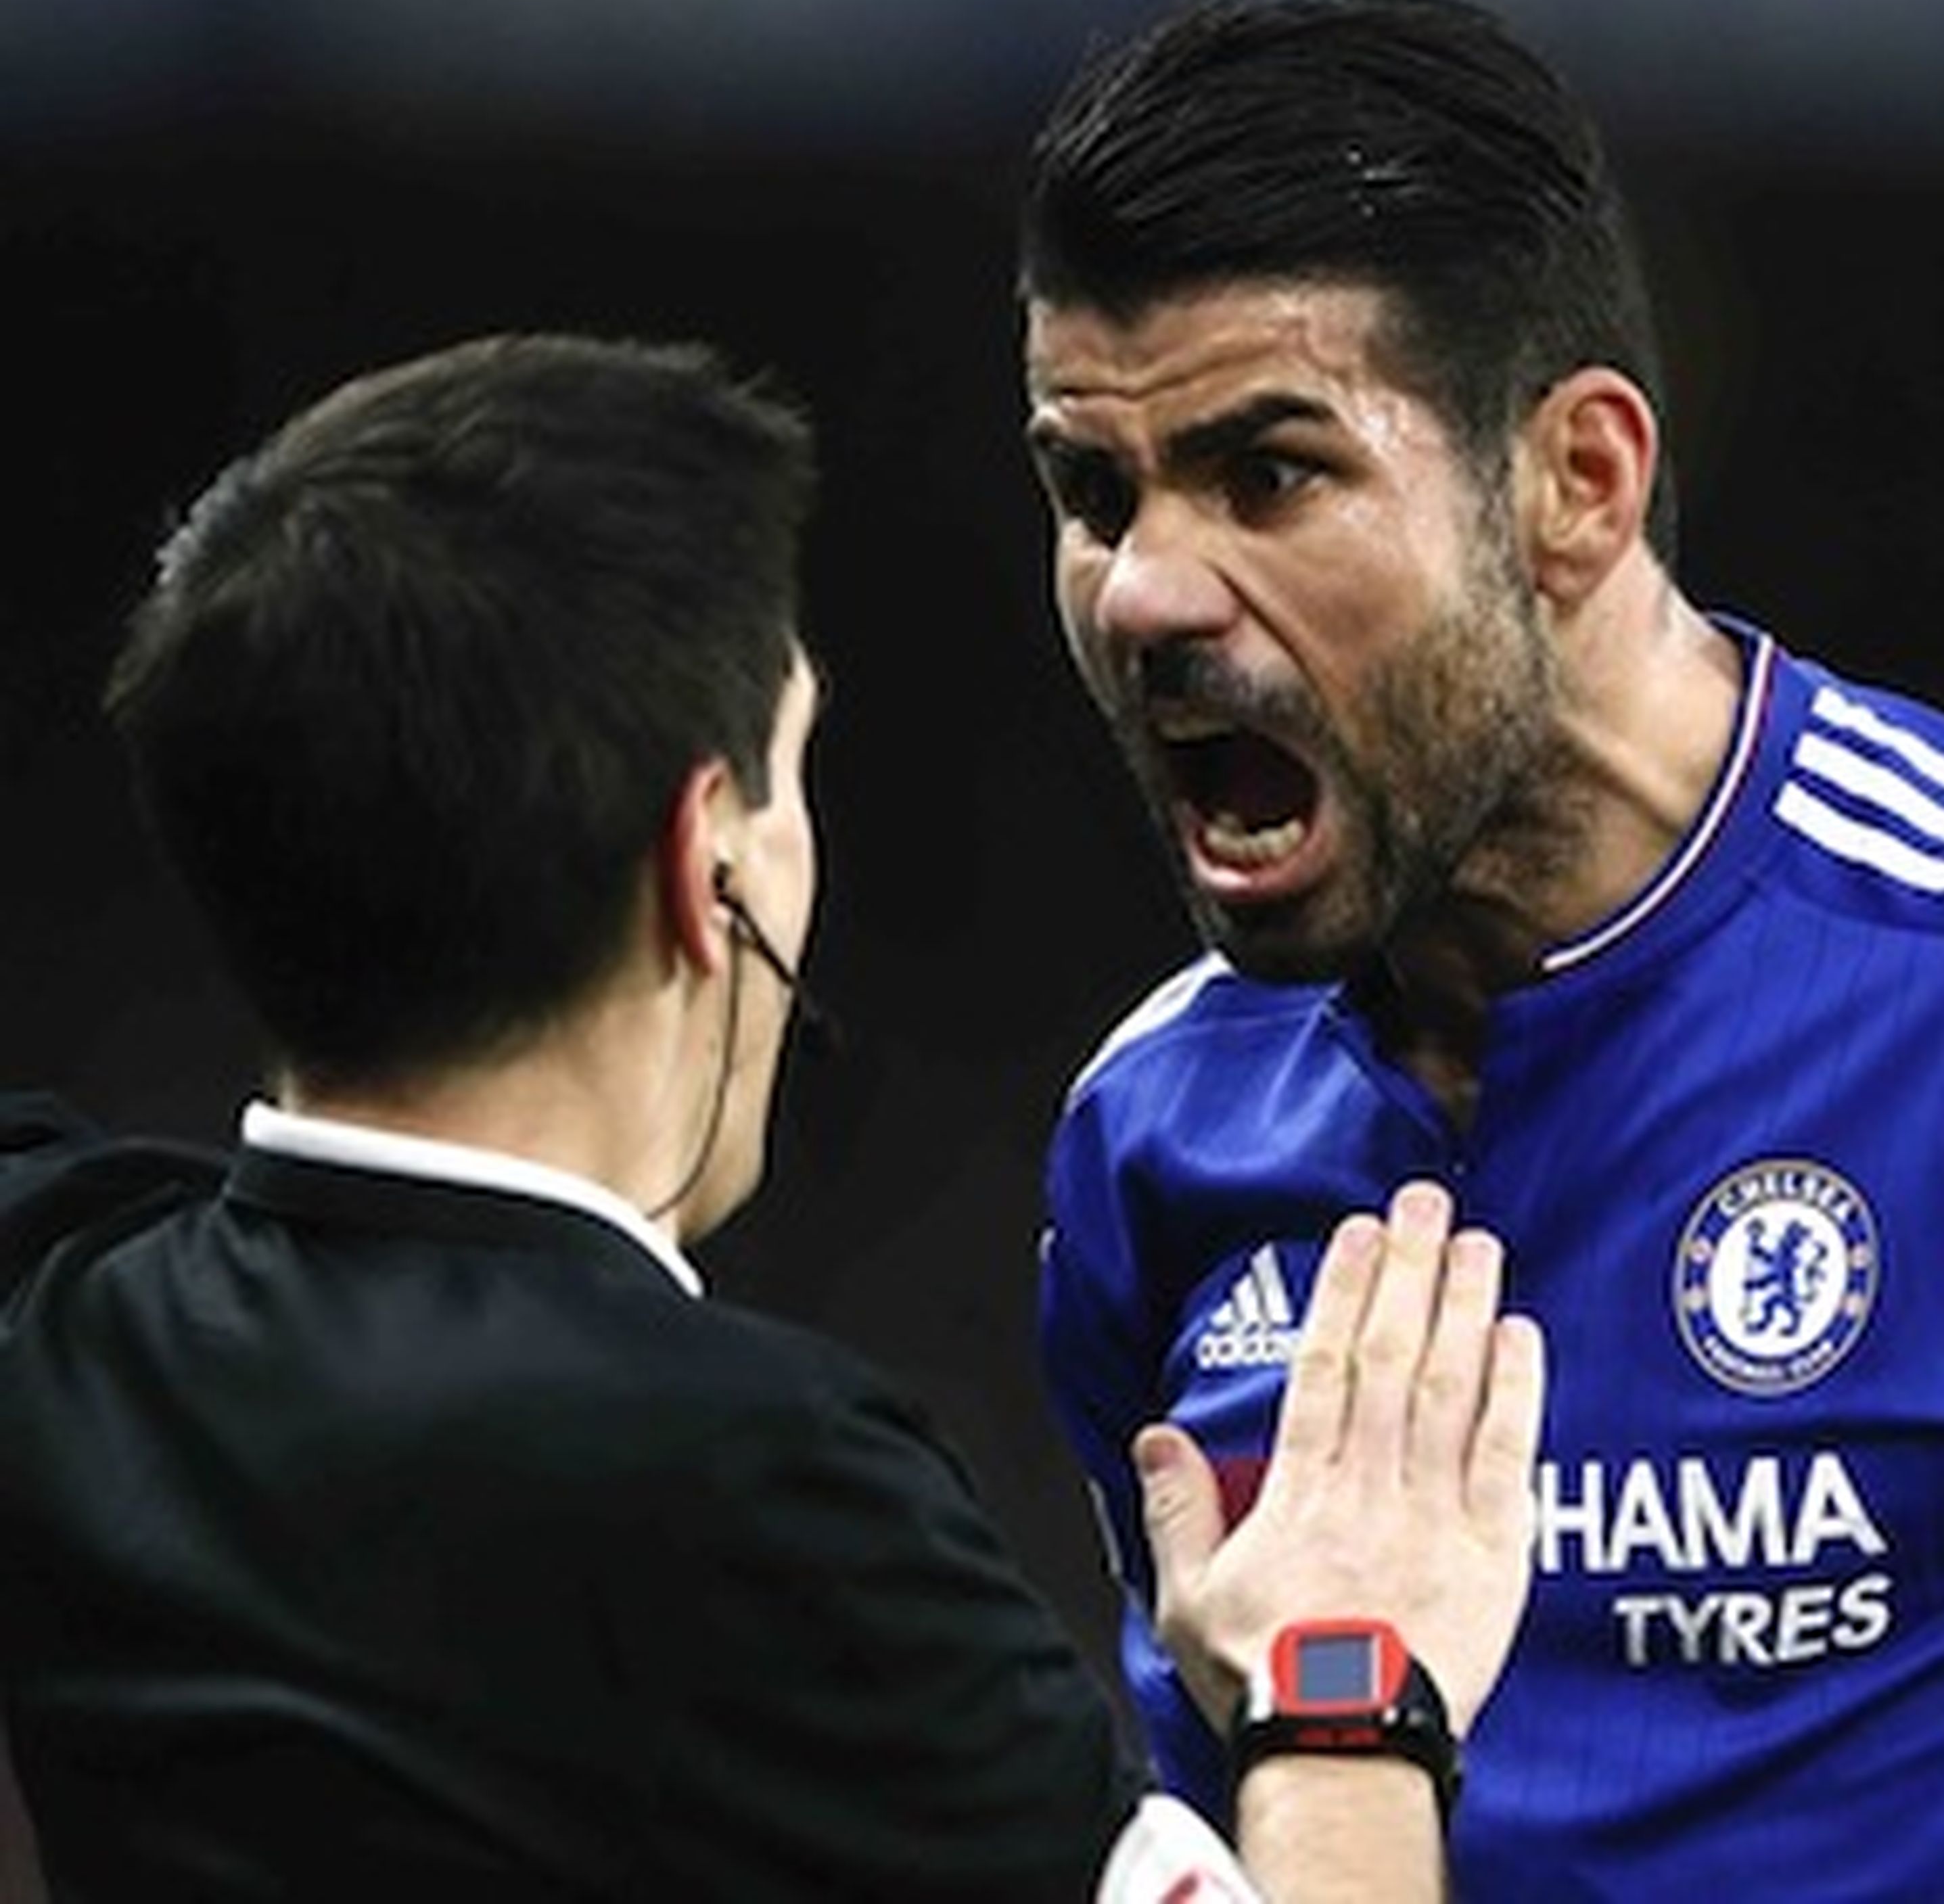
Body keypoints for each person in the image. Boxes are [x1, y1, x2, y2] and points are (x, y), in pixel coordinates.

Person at [0, 330, 1545, 1902]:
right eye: (789, 770)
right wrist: (1341, 1684)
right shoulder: (770, 1492)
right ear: (706, 864)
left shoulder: (64, 1313)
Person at [1017, 0, 1944, 1901]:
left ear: (1578, 484)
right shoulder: (1151, 1136)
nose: (1143, 592)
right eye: (1093, 492)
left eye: (1269, 472)